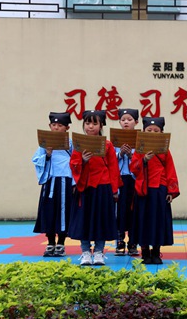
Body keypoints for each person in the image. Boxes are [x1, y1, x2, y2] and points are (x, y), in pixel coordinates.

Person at [68, 110, 122, 266]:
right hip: (85, 187)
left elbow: (113, 168)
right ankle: (85, 252)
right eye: (87, 123)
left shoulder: (108, 145)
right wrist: (83, 161)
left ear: (101, 126)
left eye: (94, 123)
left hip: (103, 186)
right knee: (83, 220)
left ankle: (99, 252)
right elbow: (73, 164)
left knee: (101, 219)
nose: (90, 126)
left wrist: (114, 190)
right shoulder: (79, 144)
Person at [130, 117, 180, 265]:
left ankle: (156, 252)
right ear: (143, 132)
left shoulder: (165, 151)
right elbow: (134, 168)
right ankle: (145, 252)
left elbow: (170, 170)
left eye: (156, 131)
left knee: (158, 221)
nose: (152, 133)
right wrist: (144, 160)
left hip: (160, 189)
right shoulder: (139, 149)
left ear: (162, 133)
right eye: (149, 130)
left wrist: (171, 191)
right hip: (143, 190)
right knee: (143, 220)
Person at [32, 112, 74, 257]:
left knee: (63, 212)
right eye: (53, 125)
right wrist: (47, 154)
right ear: (49, 126)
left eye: (60, 125)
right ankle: (50, 242)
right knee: (49, 211)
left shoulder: (71, 144)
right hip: (50, 182)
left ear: (67, 128)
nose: (56, 128)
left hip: (65, 181)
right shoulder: (45, 144)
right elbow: (37, 160)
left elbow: (75, 161)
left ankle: (61, 243)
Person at [114, 108, 139, 257]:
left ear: (136, 122)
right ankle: (119, 240)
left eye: (129, 120)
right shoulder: (115, 139)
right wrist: (120, 154)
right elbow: (110, 159)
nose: (126, 122)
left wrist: (131, 156)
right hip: (120, 179)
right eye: (123, 120)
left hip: (134, 179)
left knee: (134, 210)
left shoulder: (139, 139)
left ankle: (133, 242)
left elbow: (141, 160)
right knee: (120, 210)